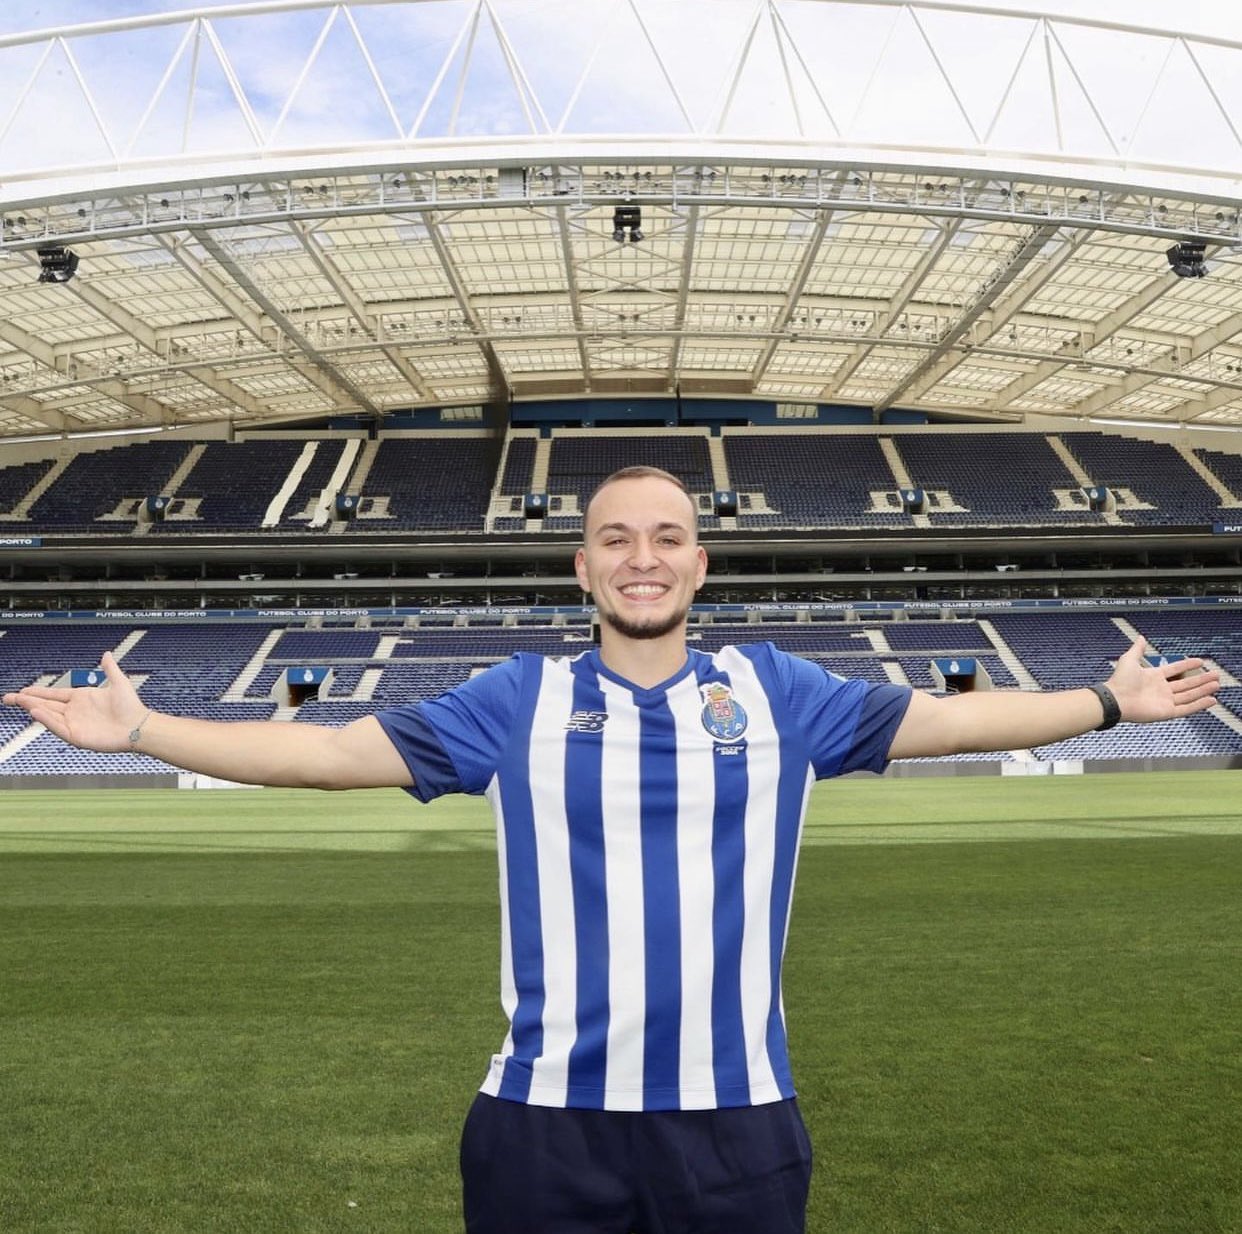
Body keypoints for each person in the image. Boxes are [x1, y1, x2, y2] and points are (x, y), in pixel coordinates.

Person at [2, 465, 1222, 1234]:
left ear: (701, 559)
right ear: (582, 563)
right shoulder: (511, 697)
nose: (644, 555)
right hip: (544, 1128)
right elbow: (326, 753)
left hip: (736, 1123)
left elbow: (948, 717)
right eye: (617, 537)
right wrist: (145, 727)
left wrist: (1108, 704)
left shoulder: (776, 689)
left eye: (669, 535)